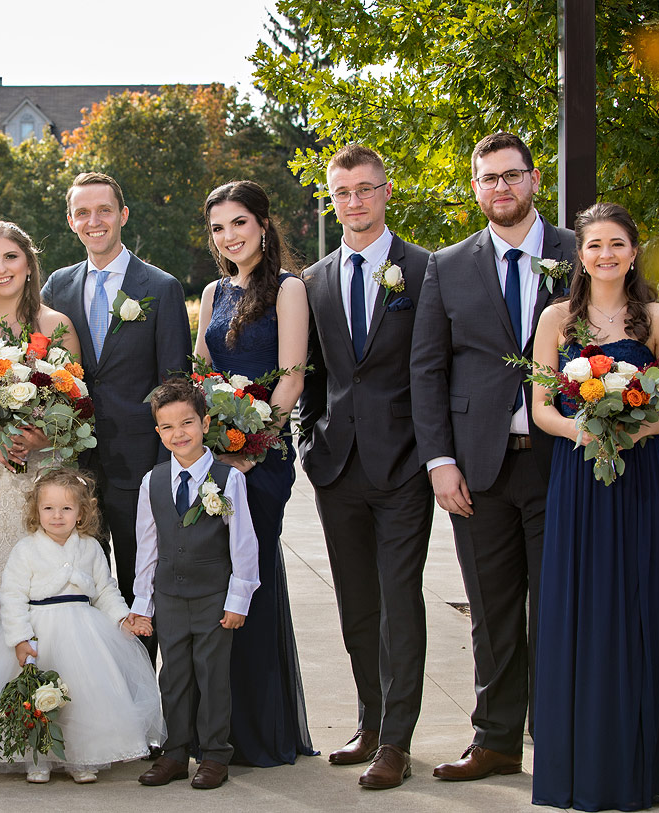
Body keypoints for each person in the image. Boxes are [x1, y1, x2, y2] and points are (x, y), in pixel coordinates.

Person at [409, 132, 576, 780]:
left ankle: (560, 736)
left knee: (561, 603)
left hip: (562, 460)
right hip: (477, 467)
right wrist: (438, 461)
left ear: (535, 180)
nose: (501, 188)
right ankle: (497, 739)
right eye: (488, 178)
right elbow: (427, 370)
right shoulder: (447, 266)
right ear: (475, 187)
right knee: (492, 610)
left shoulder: (577, 253)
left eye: (512, 175)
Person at [529, 202, 659, 810]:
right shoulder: (556, 320)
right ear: (581, 254)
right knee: (580, 608)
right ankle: (576, 768)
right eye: (594, 245)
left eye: (617, 244)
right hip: (578, 475)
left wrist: (635, 428)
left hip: (637, 477)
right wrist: (582, 432)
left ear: (634, 250)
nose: (605, 255)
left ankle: (638, 768)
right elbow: (543, 408)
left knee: (635, 603)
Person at [296, 144, 434, 789]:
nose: (353, 202)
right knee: (356, 604)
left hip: (405, 464)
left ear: (385, 192)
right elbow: (314, 375)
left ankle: (398, 743)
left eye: (365, 189)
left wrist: (433, 455)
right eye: (342, 192)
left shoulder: (425, 271)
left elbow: (434, 371)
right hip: (337, 467)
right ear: (333, 199)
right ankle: (370, 723)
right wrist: (308, 444)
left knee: (399, 601)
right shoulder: (315, 280)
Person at [0, 469, 162, 784]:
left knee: (83, 697)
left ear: (81, 513)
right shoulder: (26, 550)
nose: (57, 516)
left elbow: (105, 591)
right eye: (48, 508)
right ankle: (37, 756)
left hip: (84, 633)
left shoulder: (90, 548)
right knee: (37, 697)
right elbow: (12, 597)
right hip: (39, 633)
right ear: (36, 511)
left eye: (66, 509)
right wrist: (19, 639)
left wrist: (122, 617)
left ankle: (82, 756)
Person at [41, 172, 192, 640]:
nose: (94, 220)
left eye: (104, 210)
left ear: (122, 215)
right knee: (78, 586)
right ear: (71, 221)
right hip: (74, 465)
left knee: (138, 586)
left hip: (140, 464)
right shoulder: (56, 288)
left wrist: (171, 467)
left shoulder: (161, 287)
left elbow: (174, 384)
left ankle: (143, 698)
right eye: (82, 212)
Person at [197, 179, 313, 767]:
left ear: (263, 225)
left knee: (253, 578)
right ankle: (217, 728)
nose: (229, 236)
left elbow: (291, 377)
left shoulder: (288, 289)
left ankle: (262, 732)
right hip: (214, 456)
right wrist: (209, 447)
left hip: (263, 458)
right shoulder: (214, 291)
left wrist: (252, 446)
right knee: (216, 585)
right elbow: (200, 375)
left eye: (239, 223)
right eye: (219, 228)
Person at [0, 221, 82, 625]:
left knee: (41, 583)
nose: (0, 268)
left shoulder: (57, 325)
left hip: (40, 475)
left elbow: (75, 408)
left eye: (10, 256)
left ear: (28, 265)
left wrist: (37, 441)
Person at [130, 378, 260, 790]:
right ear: (158, 432)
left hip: (212, 598)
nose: (178, 434)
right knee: (173, 676)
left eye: (186, 423)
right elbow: (146, 547)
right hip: (169, 596)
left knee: (212, 675)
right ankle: (174, 754)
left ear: (205, 422)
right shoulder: (152, 481)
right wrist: (142, 604)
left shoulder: (228, 479)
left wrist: (238, 599)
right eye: (167, 427)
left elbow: (244, 545)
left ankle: (215, 755)